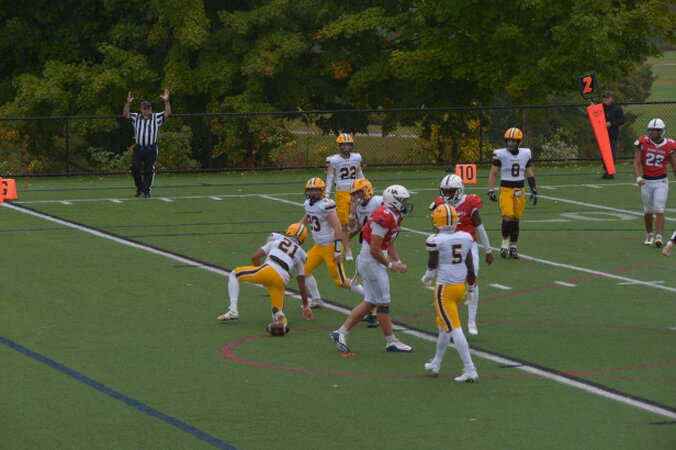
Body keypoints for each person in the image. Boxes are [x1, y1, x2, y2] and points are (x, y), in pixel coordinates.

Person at [330, 185, 414, 353]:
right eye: (403, 200)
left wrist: (398, 261)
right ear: (394, 201)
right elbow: (374, 249)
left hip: (370, 262)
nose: (406, 203)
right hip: (371, 263)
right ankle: (391, 341)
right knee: (383, 303)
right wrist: (389, 265)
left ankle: (341, 332)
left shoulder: (396, 215)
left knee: (370, 302)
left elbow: (390, 242)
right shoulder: (383, 217)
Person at [428, 174, 494, 335]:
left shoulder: (470, 203)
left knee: (472, 277)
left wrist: (488, 250)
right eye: (445, 191)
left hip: (468, 245)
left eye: (450, 191)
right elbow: (436, 227)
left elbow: (480, 228)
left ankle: (471, 320)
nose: (447, 194)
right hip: (446, 246)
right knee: (445, 280)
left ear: (459, 190)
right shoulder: (440, 203)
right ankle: (446, 317)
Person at [421, 203, 478, 382]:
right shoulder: (465, 237)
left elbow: (432, 265)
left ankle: (470, 369)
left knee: (454, 329)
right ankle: (436, 362)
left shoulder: (436, 240)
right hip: (460, 288)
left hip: (444, 290)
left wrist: (427, 277)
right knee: (443, 328)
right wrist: (470, 288)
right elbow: (470, 268)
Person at [218, 223, 315, 326]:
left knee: (234, 274)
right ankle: (279, 317)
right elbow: (301, 282)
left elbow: (255, 257)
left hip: (269, 270)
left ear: (289, 231)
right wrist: (305, 305)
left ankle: (233, 310)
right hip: (281, 281)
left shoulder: (277, 240)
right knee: (276, 315)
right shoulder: (300, 253)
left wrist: (261, 278)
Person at [299, 177, 365, 308]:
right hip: (319, 246)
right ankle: (316, 299)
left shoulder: (325, 205)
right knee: (303, 270)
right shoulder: (308, 204)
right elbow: (307, 218)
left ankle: (370, 297)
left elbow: (338, 228)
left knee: (341, 281)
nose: (313, 193)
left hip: (331, 247)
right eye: (310, 190)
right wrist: (295, 229)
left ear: (322, 191)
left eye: (316, 190)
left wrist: (337, 250)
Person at [487, 127, 538, 259]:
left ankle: (513, 247)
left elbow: (529, 172)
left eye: (513, 141)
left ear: (518, 142)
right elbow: (493, 173)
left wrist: (534, 189)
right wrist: (491, 190)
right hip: (505, 189)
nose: (510, 143)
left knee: (516, 218)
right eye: (509, 140)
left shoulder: (525, 154)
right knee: (507, 217)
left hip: (520, 190)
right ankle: (504, 244)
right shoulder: (501, 154)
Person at [347, 177, 384, 328]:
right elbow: (352, 227)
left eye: (359, 193)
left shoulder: (378, 201)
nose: (356, 196)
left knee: (374, 278)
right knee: (368, 278)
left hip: (378, 244)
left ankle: (376, 314)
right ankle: (373, 310)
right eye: (354, 194)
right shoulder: (358, 207)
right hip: (366, 243)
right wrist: (351, 214)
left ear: (367, 190)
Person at [633, 118, 676, 247]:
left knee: (660, 208)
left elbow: (673, 164)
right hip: (646, 181)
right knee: (648, 210)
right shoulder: (643, 142)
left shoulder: (669, 144)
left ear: (662, 131)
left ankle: (659, 236)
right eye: (652, 130)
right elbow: (636, 161)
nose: (654, 132)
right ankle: (649, 234)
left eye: (657, 130)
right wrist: (638, 178)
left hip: (661, 180)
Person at [123, 90, 171, 198]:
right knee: (134, 168)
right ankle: (140, 187)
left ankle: (146, 190)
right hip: (139, 148)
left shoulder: (156, 117)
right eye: (145, 108)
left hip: (151, 148)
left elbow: (167, 113)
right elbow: (125, 114)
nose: (146, 110)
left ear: (151, 109)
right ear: (141, 109)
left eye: (148, 108)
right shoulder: (136, 117)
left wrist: (166, 101)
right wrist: (128, 103)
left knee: (149, 170)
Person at [325, 133, 364, 261]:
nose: (346, 147)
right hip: (341, 194)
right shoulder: (334, 160)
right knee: (344, 226)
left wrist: (366, 187)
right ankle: (347, 250)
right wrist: (326, 195)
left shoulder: (356, 158)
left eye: (348, 144)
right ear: (339, 146)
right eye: (344, 145)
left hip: (355, 193)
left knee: (360, 224)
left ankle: (344, 239)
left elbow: (360, 175)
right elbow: (330, 178)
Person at [600, 91, 625, 179]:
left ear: (611, 98)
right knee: (603, 153)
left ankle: (609, 171)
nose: (605, 100)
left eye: (607, 98)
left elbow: (621, 120)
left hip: (612, 134)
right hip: (602, 134)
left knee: (611, 153)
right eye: (604, 98)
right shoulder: (601, 107)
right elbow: (594, 113)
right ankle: (607, 169)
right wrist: (592, 107)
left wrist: (611, 123)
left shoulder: (617, 108)